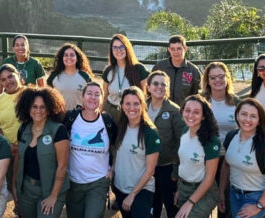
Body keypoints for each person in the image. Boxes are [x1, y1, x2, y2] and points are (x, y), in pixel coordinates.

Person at [218, 98, 265, 218]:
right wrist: (221, 192)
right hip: (234, 194)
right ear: (237, 115)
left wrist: (258, 206)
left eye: (253, 116)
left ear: (259, 121)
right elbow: (226, 165)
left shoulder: (264, 146)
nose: (247, 119)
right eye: (244, 114)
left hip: (255, 198)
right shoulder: (231, 136)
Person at [63, 81, 117, 218]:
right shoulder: (71, 118)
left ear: (102, 98)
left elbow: (118, 145)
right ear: (82, 96)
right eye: (89, 93)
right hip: (73, 181)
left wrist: (113, 168)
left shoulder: (107, 121)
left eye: (97, 94)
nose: (93, 97)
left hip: (98, 181)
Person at [14, 87, 70, 218]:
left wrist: (53, 196)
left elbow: (62, 166)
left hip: (51, 189)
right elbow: (18, 159)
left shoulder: (58, 130)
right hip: (27, 190)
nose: (38, 111)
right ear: (27, 108)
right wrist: (15, 187)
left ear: (50, 108)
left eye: (42, 107)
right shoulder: (23, 129)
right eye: (34, 106)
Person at [111, 86, 160, 218]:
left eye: (136, 103)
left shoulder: (150, 133)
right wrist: (112, 169)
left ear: (143, 105)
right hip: (120, 188)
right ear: (122, 106)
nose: (131, 108)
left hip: (141, 191)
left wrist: (132, 195)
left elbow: (150, 170)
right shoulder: (121, 126)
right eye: (127, 103)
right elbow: (117, 152)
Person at [145, 71, 185, 218]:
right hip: (145, 167)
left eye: (163, 84)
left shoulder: (174, 111)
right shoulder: (141, 107)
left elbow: (181, 143)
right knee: (151, 206)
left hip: (167, 168)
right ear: (148, 87)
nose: (159, 87)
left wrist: (176, 170)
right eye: (155, 83)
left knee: (171, 207)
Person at [202, 61, 240, 218]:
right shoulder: (201, 101)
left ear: (227, 78)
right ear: (208, 81)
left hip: (229, 159)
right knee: (203, 201)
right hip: (206, 158)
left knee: (226, 204)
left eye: (221, 76)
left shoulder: (236, 102)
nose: (217, 80)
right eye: (213, 77)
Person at [175, 95, 221, 218]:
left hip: (204, 191)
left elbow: (209, 177)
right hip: (184, 187)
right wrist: (179, 189)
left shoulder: (211, 141)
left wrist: (190, 202)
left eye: (196, 112)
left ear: (204, 116)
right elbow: (183, 163)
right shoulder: (185, 131)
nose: (190, 115)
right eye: (187, 110)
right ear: (182, 111)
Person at [0, 65, 25, 203]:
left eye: (10, 76)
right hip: (11, 149)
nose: (8, 81)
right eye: (3, 79)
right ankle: (19, 208)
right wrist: (7, 143)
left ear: (18, 75)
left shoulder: (30, 94)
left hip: (30, 147)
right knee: (14, 183)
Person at [102, 34, 149, 123]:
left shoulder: (139, 69)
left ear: (127, 48)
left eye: (121, 47)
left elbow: (146, 95)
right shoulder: (109, 70)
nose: (118, 50)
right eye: (115, 47)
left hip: (130, 113)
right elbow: (104, 95)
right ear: (111, 50)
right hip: (110, 112)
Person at [152, 34, 202, 104]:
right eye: (173, 49)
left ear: (185, 49)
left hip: (184, 111)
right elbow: (150, 89)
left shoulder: (193, 71)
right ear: (169, 50)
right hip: (162, 110)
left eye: (179, 48)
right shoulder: (159, 67)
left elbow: (197, 95)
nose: (176, 52)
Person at [46, 43, 94, 111]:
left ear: (77, 58)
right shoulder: (54, 76)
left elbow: (91, 97)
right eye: (66, 55)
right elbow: (47, 97)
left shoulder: (85, 77)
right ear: (62, 58)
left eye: (72, 55)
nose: (69, 57)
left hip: (79, 115)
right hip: (59, 115)